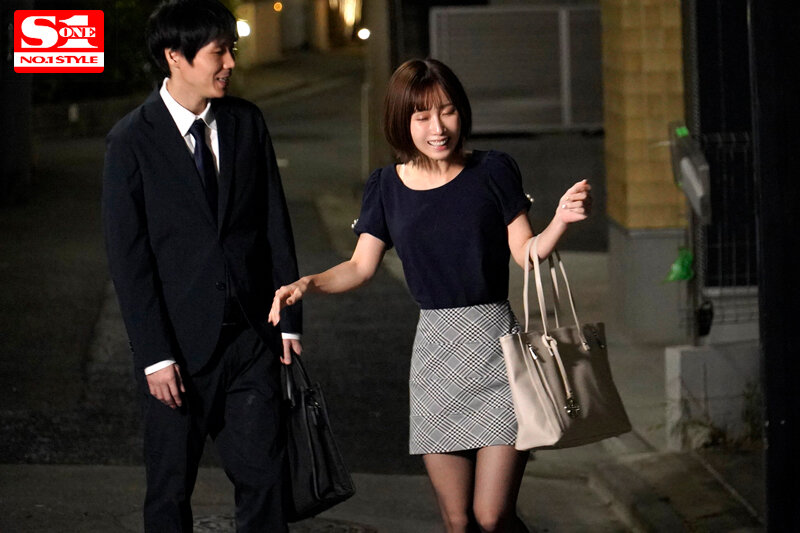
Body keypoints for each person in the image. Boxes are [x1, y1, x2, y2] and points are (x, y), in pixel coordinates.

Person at [269, 58, 592, 532]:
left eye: (447, 112)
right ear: (402, 122)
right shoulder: (386, 186)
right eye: (422, 116)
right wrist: (308, 282)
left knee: (491, 515)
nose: (437, 128)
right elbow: (360, 267)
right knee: (458, 521)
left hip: (498, 354)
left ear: (461, 112)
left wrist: (560, 220)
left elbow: (525, 253)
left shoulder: (493, 170)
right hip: (435, 359)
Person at [101, 1, 302, 530]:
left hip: (251, 340)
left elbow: (273, 224)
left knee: (266, 483)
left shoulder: (246, 122)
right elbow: (129, 262)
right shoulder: (130, 140)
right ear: (175, 56)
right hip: (178, 351)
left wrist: (288, 319)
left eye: (231, 49)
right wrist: (155, 356)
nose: (231, 62)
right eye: (219, 52)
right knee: (169, 492)